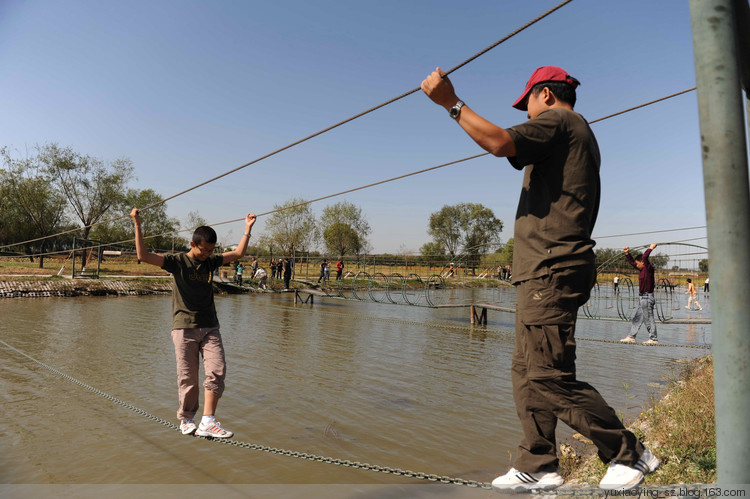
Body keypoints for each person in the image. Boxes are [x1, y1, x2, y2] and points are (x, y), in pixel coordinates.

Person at [421, 65, 658, 491]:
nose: (526, 114)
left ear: (545, 94)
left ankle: (629, 453)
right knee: (525, 370)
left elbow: (498, 143)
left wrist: (451, 104)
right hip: (541, 270)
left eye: (526, 103)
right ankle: (540, 462)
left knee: (548, 375)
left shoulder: (560, 120)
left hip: (552, 266)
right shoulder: (570, 132)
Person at [129, 207, 256, 439]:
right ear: (192, 243)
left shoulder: (210, 262)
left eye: (211, 250)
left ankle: (208, 420)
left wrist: (247, 229)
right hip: (184, 327)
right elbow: (144, 256)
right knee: (188, 377)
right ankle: (187, 418)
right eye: (203, 249)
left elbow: (237, 253)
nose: (207, 254)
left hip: (210, 326)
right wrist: (137, 223)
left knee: (217, 371)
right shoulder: (177, 262)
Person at [620, 244, 659, 345]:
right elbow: (632, 262)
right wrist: (627, 253)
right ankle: (631, 337)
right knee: (637, 318)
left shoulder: (649, 269)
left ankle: (653, 339)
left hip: (647, 297)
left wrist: (651, 248)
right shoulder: (641, 270)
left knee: (649, 318)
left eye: (638, 263)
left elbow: (645, 257)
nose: (636, 265)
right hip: (642, 298)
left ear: (643, 262)